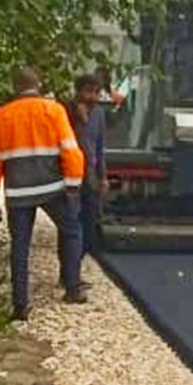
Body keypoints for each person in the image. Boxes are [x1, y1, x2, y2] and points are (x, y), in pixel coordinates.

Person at [0, 66, 87, 320]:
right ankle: (72, 288)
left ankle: (20, 306)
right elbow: (71, 151)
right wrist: (73, 184)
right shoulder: (53, 110)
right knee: (72, 230)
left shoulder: (3, 117)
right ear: (38, 84)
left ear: (14, 87)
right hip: (53, 189)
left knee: (19, 246)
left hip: (19, 193)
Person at [65, 73, 107, 259]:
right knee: (71, 225)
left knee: (89, 225)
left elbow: (99, 147)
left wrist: (103, 177)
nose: (93, 97)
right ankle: (69, 274)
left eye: (97, 92)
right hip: (69, 178)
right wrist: (79, 121)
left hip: (90, 176)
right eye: (89, 91)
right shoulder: (65, 112)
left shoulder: (99, 114)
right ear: (78, 91)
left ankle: (78, 263)